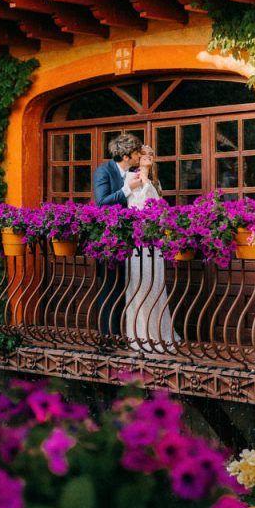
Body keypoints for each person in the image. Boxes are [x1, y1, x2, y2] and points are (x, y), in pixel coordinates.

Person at [124, 145, 178, 352]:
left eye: (151, 154)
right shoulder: (130, 178)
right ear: (137, 158)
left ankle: (156, 333)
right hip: (137, 242)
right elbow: (131, 204)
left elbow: (159, 208)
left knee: (155, 285)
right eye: (144, 154)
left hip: (153, 241)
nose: (148, 157)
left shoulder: (155, 182)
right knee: (139, 284)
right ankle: (139, 335)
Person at [91, 132, 143, 343]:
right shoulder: (103, 171)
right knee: (109, 288)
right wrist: (126, 189)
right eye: (137, 152)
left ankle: (118, 333)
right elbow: (102, 202)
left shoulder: (132, 172)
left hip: (127, 242)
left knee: (121, 287)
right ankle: (106, 337)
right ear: (128, 154)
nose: (139, 155)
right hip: (107, 242)